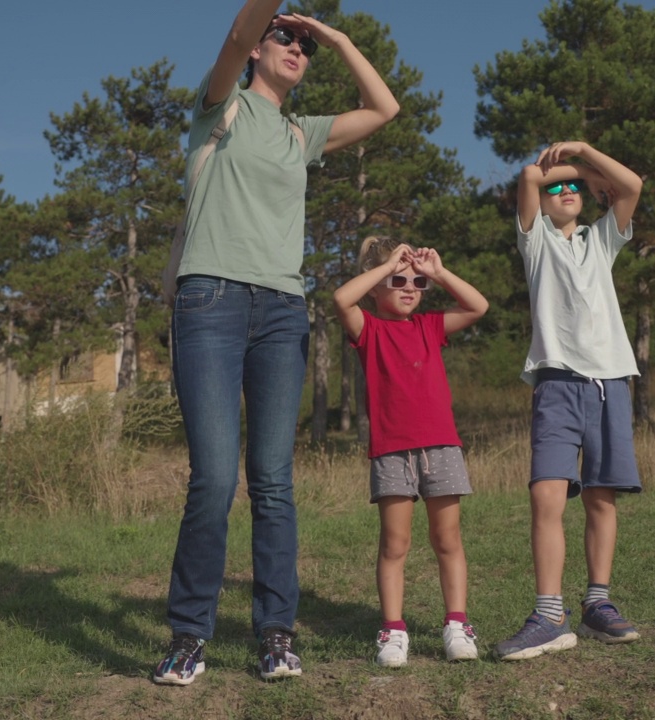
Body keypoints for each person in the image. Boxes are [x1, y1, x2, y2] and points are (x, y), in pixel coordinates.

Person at [154, 1, 399, 685]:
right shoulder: (219, 107)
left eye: (303, 44)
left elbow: (384, 109)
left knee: (272, 483)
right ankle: (188, 636)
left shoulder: (302, 133)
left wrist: (336, 37)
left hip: (283, 311)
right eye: (285, 37)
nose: (297, 47)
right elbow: (236, 34)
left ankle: (276, 635)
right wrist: (266, 19)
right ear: (259, 50)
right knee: (212, 479)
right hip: (211, 303)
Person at [493, 141, 647, 661]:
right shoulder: (534, 239)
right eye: (557, 185)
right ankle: (548, 614)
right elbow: (528, 177)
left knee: (602, 498)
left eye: (574, 187)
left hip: (609, 383)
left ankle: (597, 604)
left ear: (588, 196)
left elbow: (632, 187)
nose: (565, 190)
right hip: (556, 383)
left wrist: (584, 152)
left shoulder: (601, 240)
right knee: (547, 498)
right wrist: (570, 171)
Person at [333, 238, 489, 668]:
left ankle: (457, 624)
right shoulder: (368, 329)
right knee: (395, 545)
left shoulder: (430, 326)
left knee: (447, 540)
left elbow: (478, 306)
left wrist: (438, 273)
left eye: (417, 282)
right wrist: (384, 266)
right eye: (396, 280)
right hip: (392, 453)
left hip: (441, 447)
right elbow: (340, 297)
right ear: (376, 286)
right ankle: (393, 630)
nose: (408, 287)